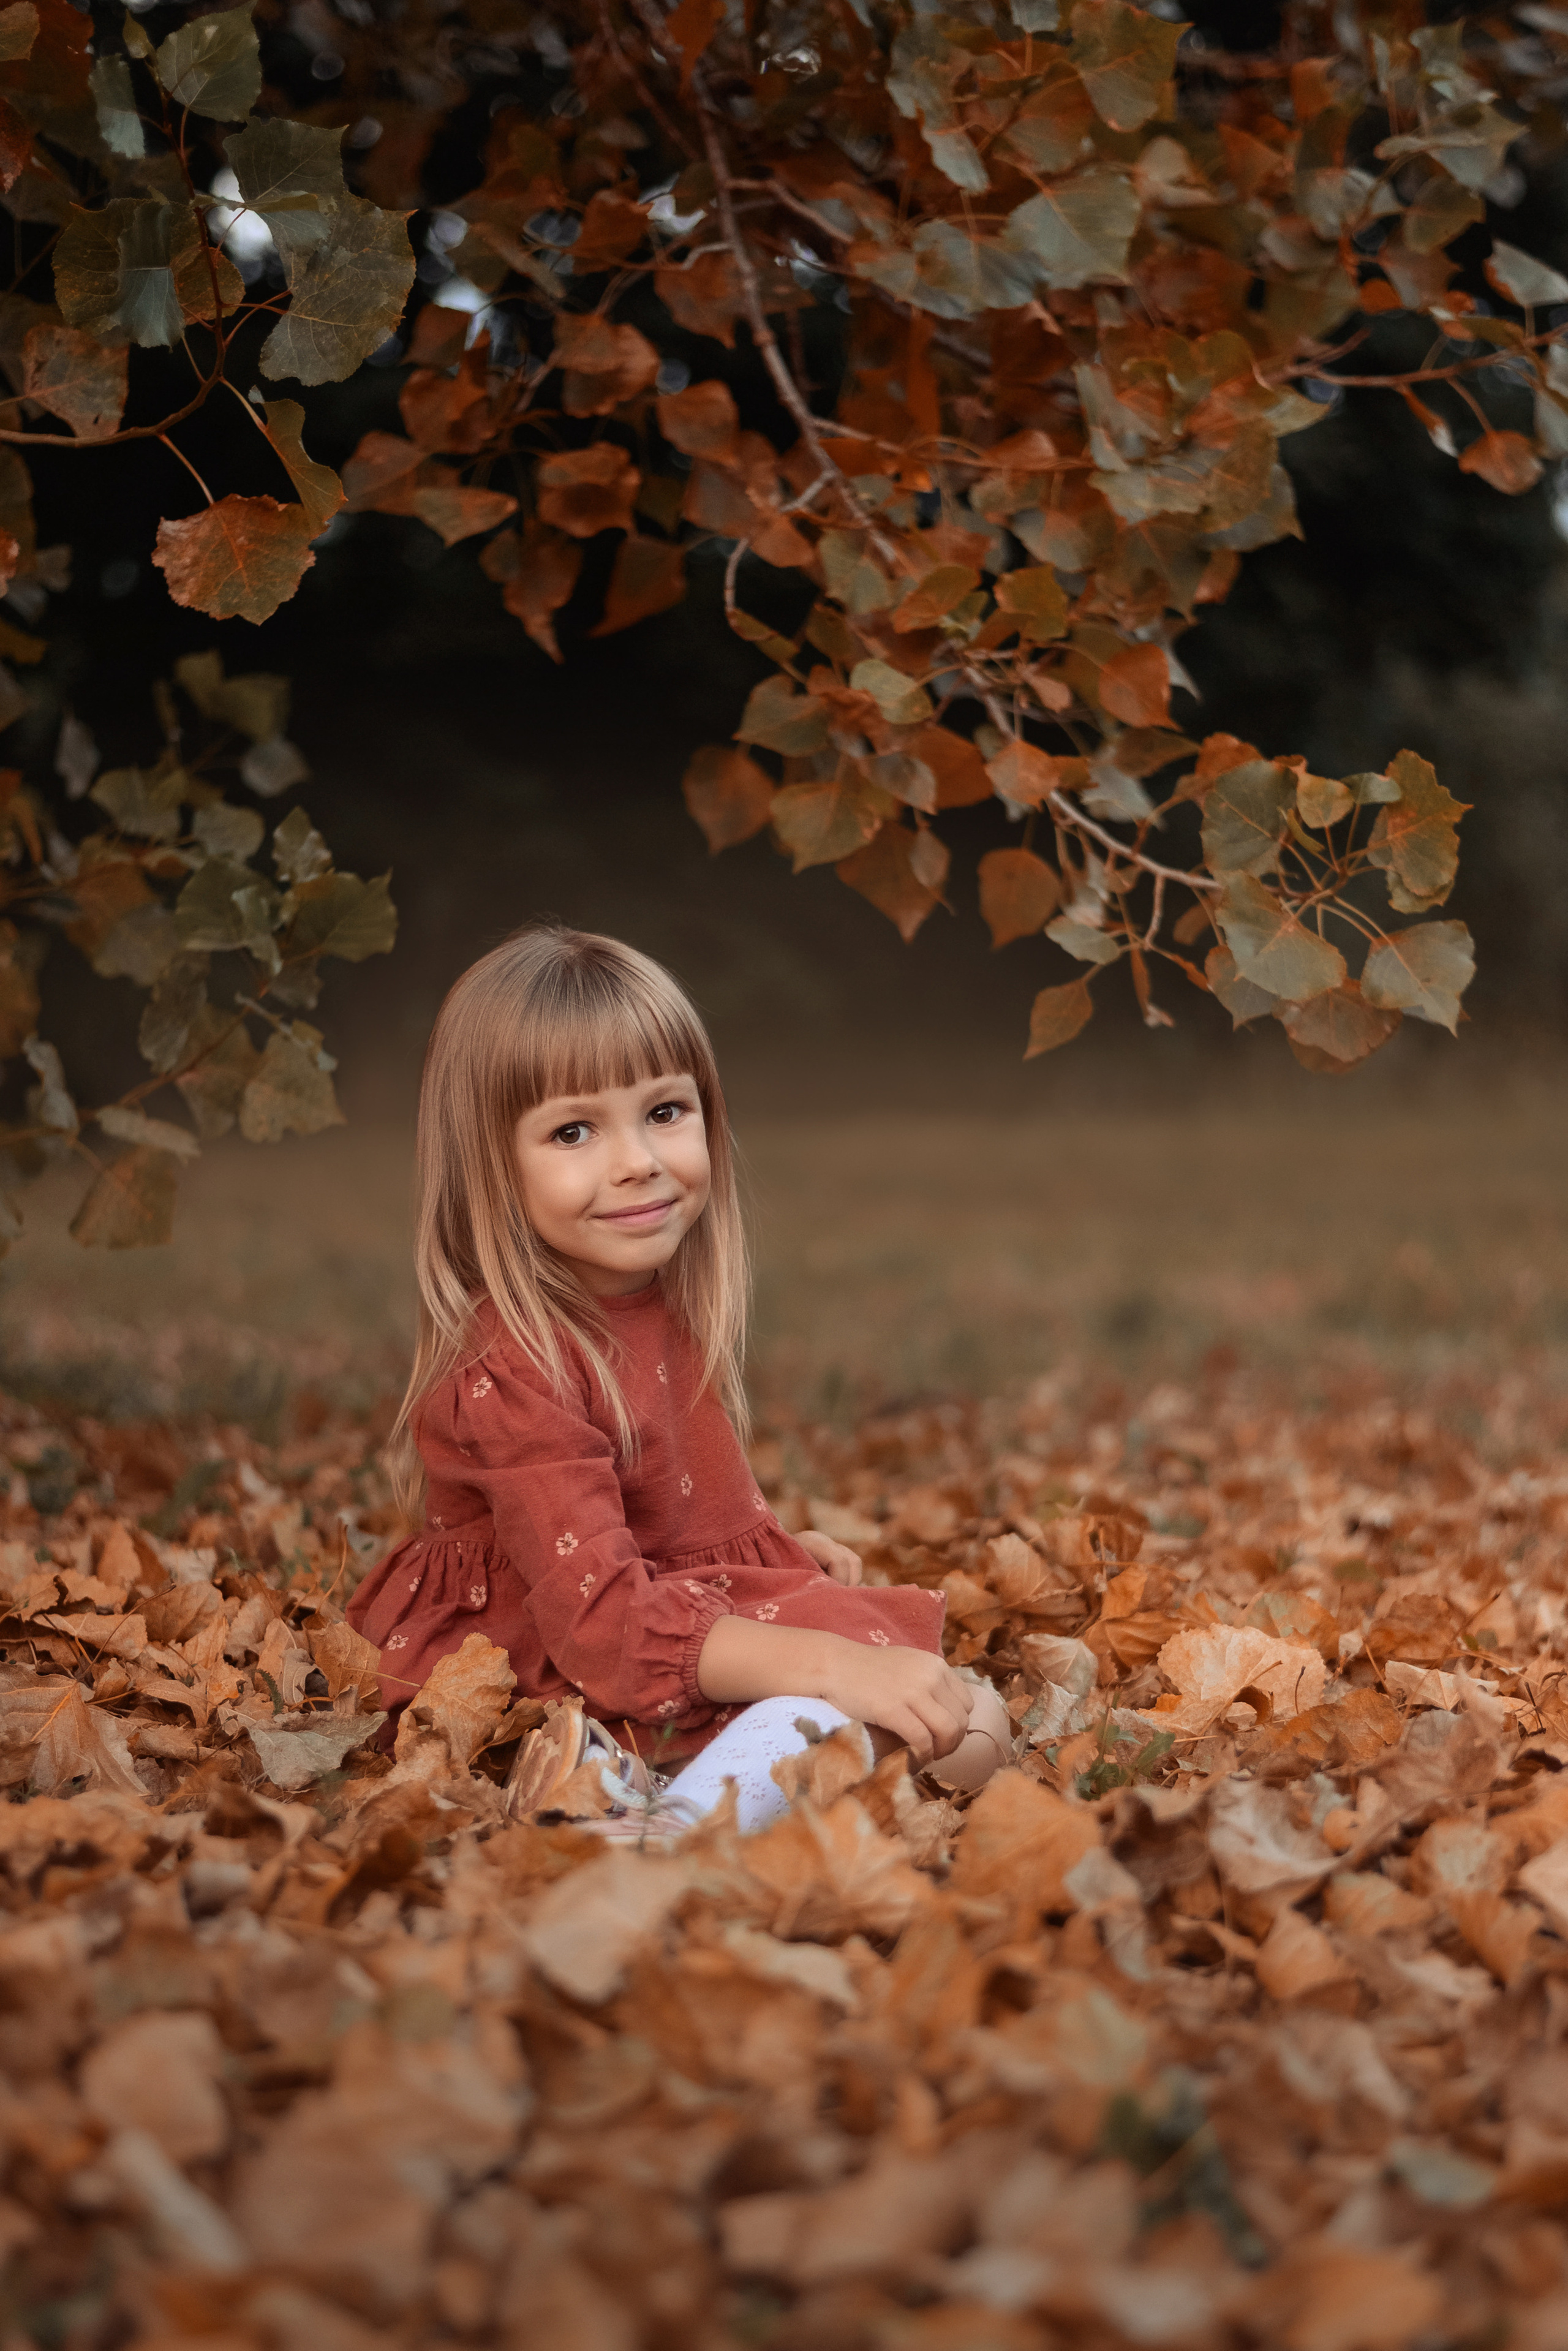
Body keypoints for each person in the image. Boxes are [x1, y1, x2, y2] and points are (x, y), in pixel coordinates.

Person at [349, 926, 1011, 1835]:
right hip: (560, 1663)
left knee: (972, 1723)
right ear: (488, 1168)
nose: (637, 1161)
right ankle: (667, 1828)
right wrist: (824, 1662)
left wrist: (769, 1552)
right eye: (574, 1130)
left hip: (658, 1625)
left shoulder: (659, 1299)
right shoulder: (516, 1364)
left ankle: (673, 1795)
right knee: (902, 1719)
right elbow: (602, 1623)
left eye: (665, 1111)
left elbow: (659, 1515)